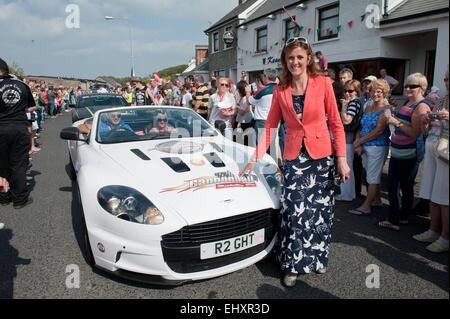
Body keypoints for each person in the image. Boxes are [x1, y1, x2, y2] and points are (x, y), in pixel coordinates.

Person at [241, 37, 349, 288]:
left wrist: (341, 159)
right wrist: (253, 158)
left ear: (308, 58)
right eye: (291, 58)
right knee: (295, 212)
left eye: (300, 57)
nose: (295, 62)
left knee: (321, 213)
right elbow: (269, 128)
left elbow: (336, 123)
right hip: (294, 159)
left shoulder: (323, 84)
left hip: (321, 158)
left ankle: (318, 257)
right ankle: (293, 264)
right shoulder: (280, 90)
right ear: (285, 61)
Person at [381, 73, 432, 230]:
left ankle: (395, 219)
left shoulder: (422, 107)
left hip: (408, 153)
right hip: (399, 151)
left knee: (398, 185)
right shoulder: (410, 102)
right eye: (407, 85)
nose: (408, 88)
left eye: (413, 86)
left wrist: (395, 122)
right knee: (403, 185)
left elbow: (414, 133)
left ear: (421, 88)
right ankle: (402, 216)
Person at [413, 70, 449, 253]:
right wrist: (426, 121)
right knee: (434, 193)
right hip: (434, 148)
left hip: (446, 153)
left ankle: (445, 237)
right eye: (445, 78)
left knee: (444, 197)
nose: (447, 82)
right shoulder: (442, 100)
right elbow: (428, 129)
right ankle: (433, 230)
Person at [350, 80, 391, 216]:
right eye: (373, 91)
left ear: (384, 93)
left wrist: (359, 141)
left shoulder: (387, 109)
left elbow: (379, 131)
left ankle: (366, 206)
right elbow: (361, 126)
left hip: (378, 147)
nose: (375, 94)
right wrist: (358, 141)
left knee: (372, 177)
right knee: (370, 175)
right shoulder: (368, 106)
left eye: (379, 91)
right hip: (365, 147)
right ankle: (377, 200)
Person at [0, 58, 34, 209]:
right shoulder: (22, 85)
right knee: (19, 164)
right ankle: (19, 199)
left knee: (2, 164)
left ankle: (3, 197)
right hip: (20, 127)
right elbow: (31, 107)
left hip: (1, 127)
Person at [338, 80, 363, 202]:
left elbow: (347, 120)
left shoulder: (353, 103)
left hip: (348, 137)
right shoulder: (356, 102)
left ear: (356, 91)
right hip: (350, 137)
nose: (347, 93)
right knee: (349, 166)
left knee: (346, 166)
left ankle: (346, 195)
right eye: (345, 91)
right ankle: (349, 194)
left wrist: (344, 106)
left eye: (350, 91)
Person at [249, 69, 278, 142]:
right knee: (271, 146)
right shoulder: (281, 89)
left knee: (261, 146)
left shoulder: (262, 90)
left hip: (262, 121)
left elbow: (250, 101)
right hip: (275, 121)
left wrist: (247, 92)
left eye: (264, 75)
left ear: (266, 77)